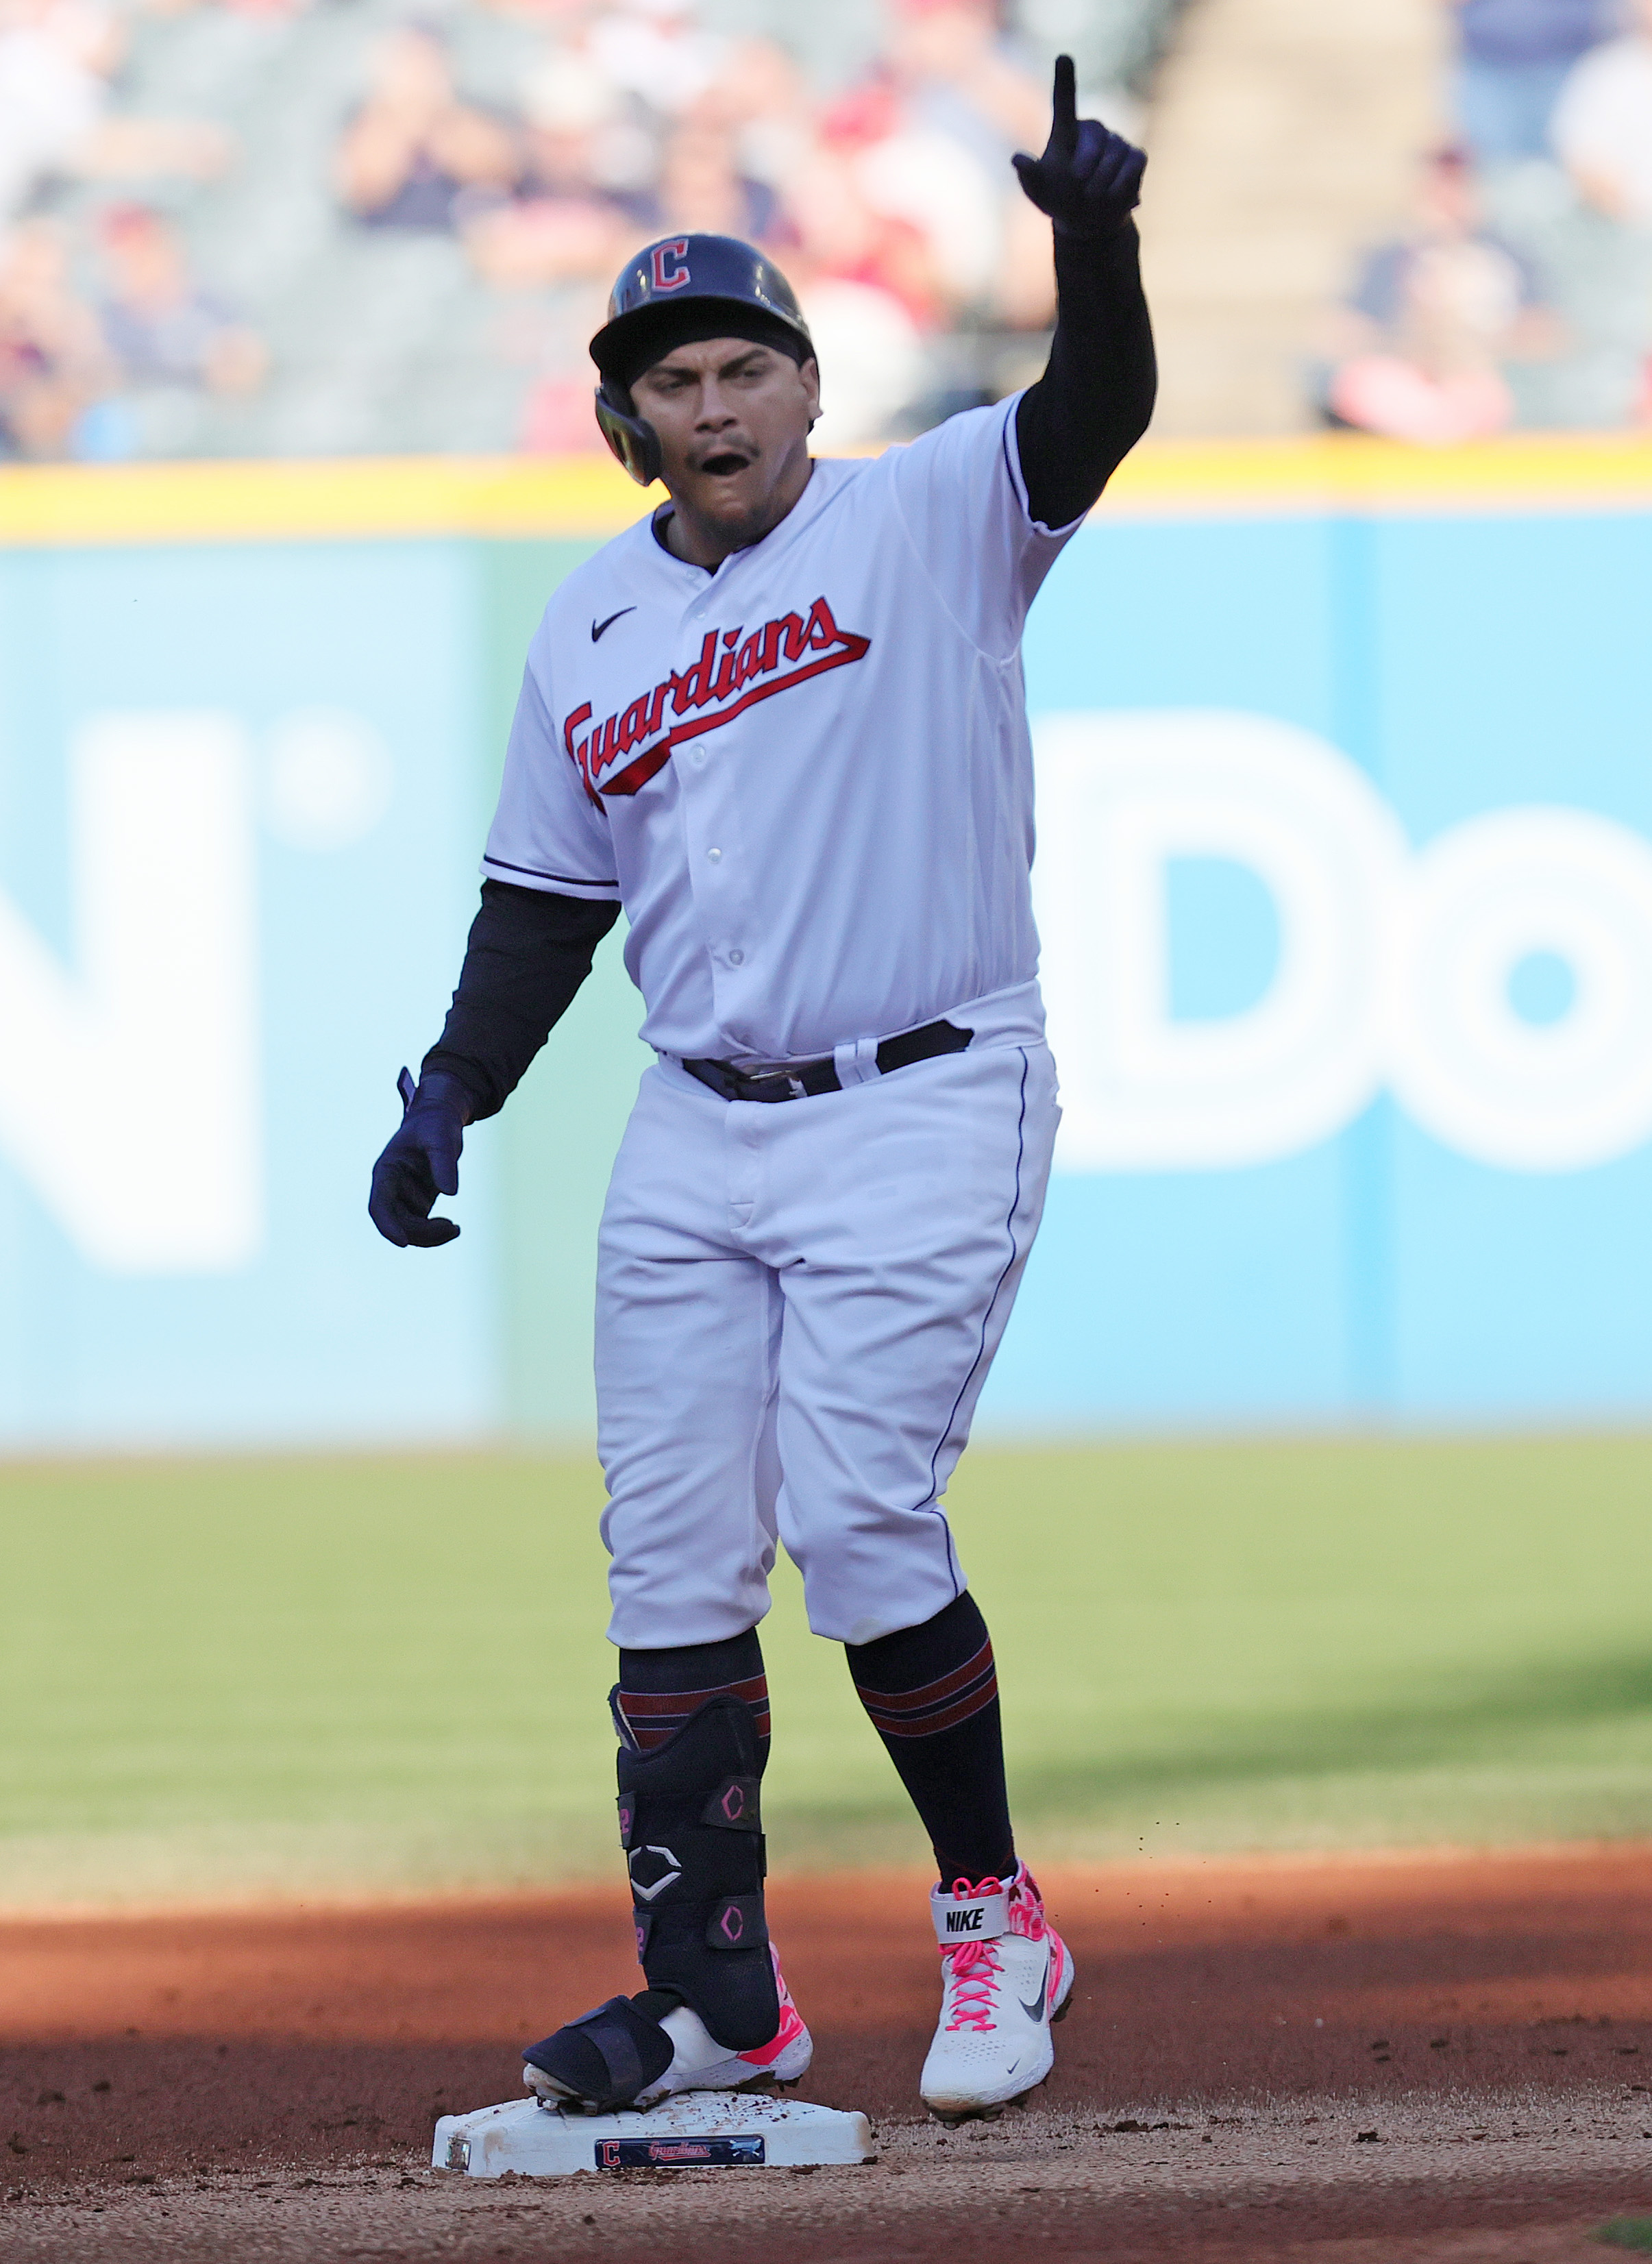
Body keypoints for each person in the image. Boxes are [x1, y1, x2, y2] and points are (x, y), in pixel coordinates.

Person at [369, 57, 1155, 2124]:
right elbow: (543, 900)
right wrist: (451, 1092)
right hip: (695, 1120)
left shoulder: (930, 513)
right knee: (672, 1561)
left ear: (807, 384)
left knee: (861, 1512)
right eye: (670, 382)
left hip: (923, 1080)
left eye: (740, 367)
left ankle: (996, 1917)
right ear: (626, 419)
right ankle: (719, 1995)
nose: (708, 407)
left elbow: (1093, 416)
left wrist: (1090, 238)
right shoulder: (593, 623)